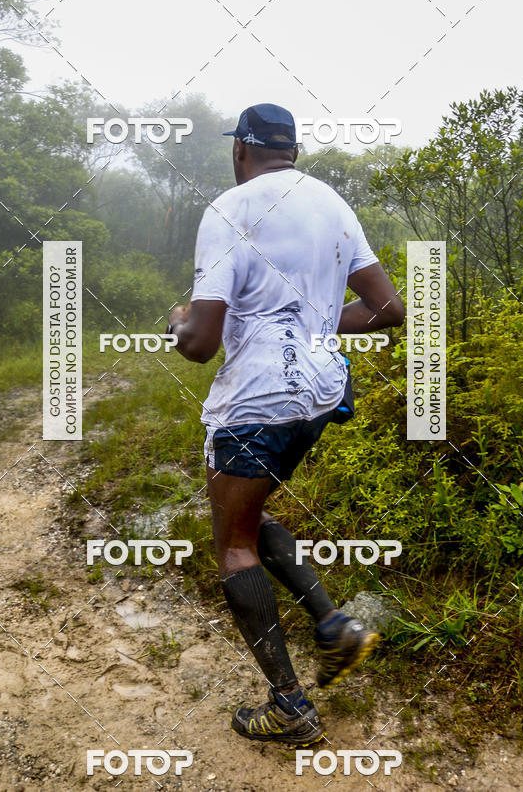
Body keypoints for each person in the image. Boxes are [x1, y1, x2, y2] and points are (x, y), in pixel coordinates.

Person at [167, 103, 405, 745]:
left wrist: (178, 320)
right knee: (249, 516)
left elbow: (200, 346)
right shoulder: (330, 202)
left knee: (233, 544)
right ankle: (336, 627)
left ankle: (290, 706)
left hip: (257, 402)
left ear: (241, 150)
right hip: (322, 394)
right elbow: (389, 308)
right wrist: (319, 322)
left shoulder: (229, 210)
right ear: (290, 151)